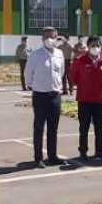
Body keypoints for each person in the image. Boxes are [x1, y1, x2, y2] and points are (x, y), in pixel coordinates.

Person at [23, 26, 65, 167]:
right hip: (40, 96)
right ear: (42, 39)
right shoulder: (36, 55)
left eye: (52, 36)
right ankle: (38, 157)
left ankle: (52, 156)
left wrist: (57, 87)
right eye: (47, 37)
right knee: (39, 127)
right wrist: (31, 85)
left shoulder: (59, 54)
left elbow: (61, 72)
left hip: (55, 95)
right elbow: (28, 73)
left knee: (53, 128)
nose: (50, 39)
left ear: (57, 37)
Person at [68, 37, 102, 162]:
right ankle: (83, 151)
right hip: (84, 100)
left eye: (97, 45)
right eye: (93, 45)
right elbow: (74, 77)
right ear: (88, 46)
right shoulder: (80, 60)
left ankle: (99, 151)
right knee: (84, 127)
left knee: (99, 127)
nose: (95, 47)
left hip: (99, 100)